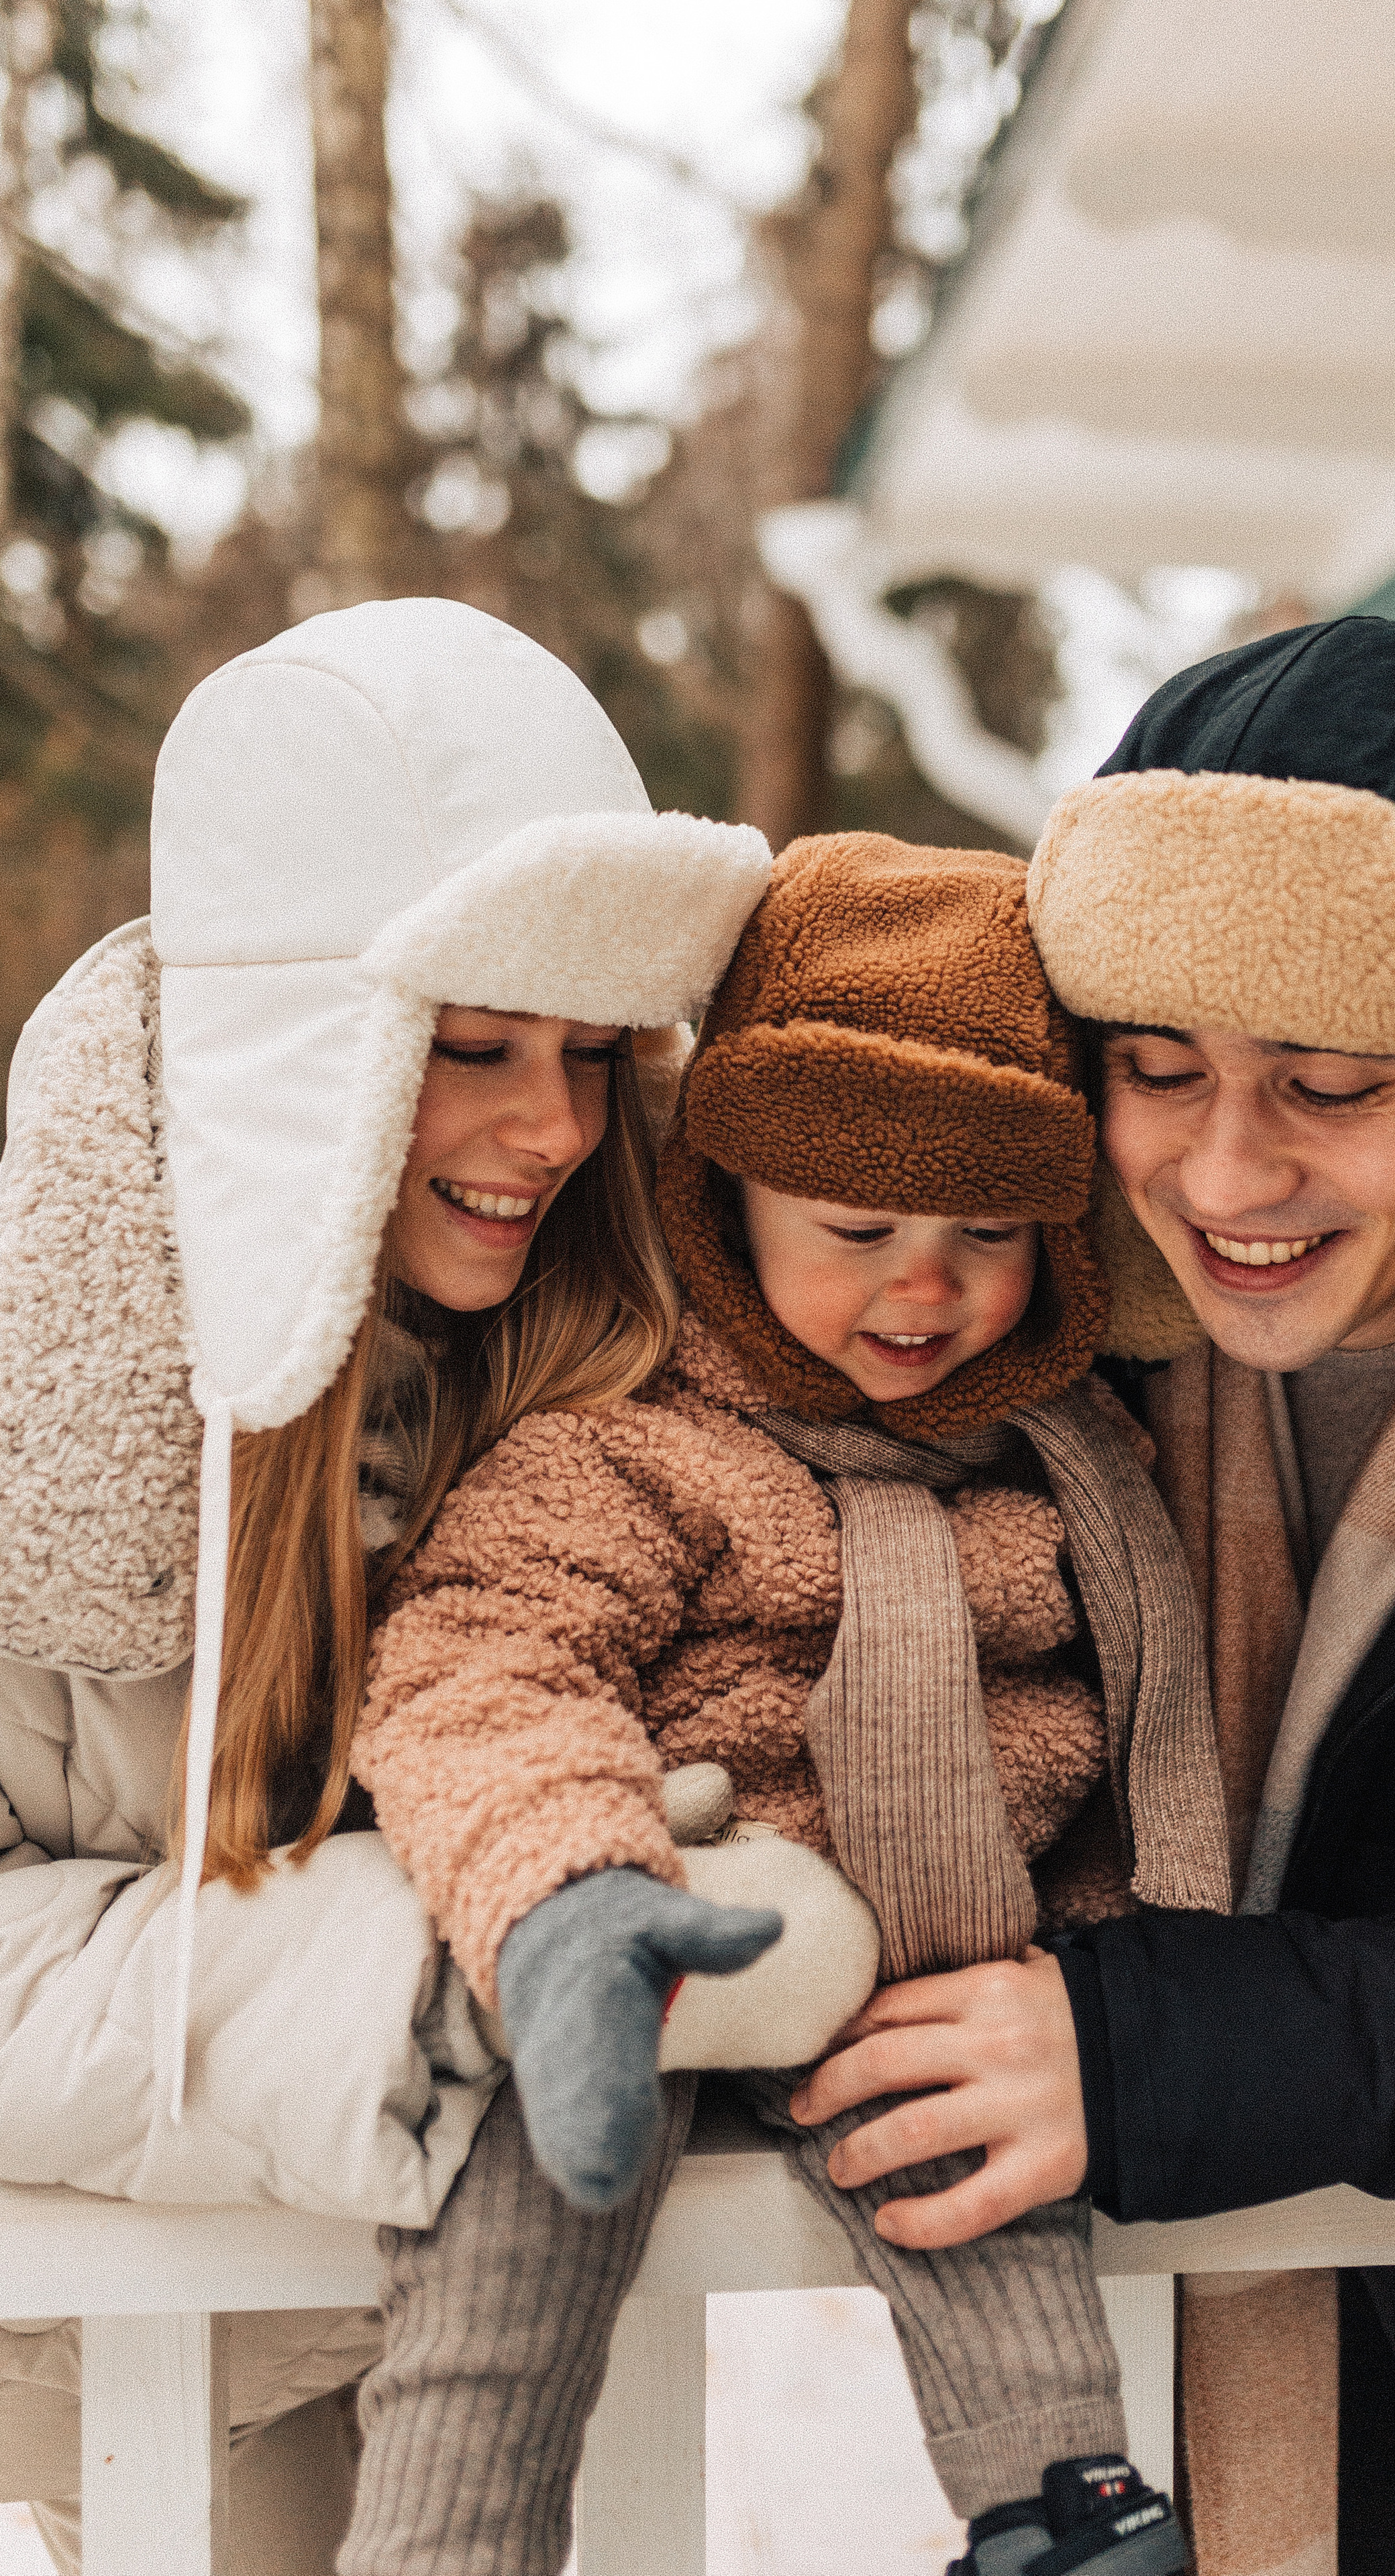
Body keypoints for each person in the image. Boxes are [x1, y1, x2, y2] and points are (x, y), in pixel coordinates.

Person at [790, 617, 1395, 2576]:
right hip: (1287, 2329)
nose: (1225, 1170)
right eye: (1156, 1067)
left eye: (1325, 1084)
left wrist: (1145, 2056)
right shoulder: (1036, 1308)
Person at [0, 594, 773, 2573]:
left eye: (596, 1054)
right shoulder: (42, 1394)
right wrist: (445, 1964)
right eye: (473, 1048)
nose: (555, 1130)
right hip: (132, 2352)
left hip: (460, 2318)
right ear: (295, 1052)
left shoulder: (587, 1371)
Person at [352, 830, 1210, 2576]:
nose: (928, 1285)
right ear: (724, 1204)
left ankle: (1061, 2511)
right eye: (857, 1227)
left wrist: (1128, 1955)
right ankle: (447, 2541)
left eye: (989, 1231)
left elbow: (1129, 1737)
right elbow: (484, 1658)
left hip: (935, 1957)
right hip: (665, 1909)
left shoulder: (1079, 1470)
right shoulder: (635, 1442)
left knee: (983, 2166)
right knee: (516, 2201)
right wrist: (574, 1903)